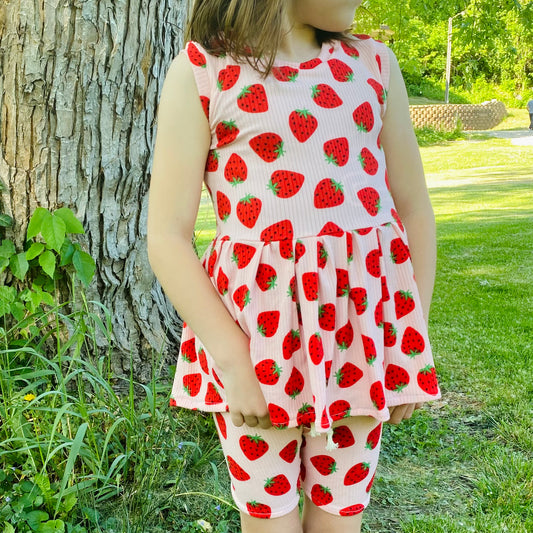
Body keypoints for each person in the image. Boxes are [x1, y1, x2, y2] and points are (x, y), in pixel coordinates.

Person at [147, 1, 442, 532]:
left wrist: (407, 343)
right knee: (270, 521)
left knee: (339, 518)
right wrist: (236, 363)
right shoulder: (202, 72)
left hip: (357, 341)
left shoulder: (374, 66)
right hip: (260, 346)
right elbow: (166, 237)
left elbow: (414, 208)